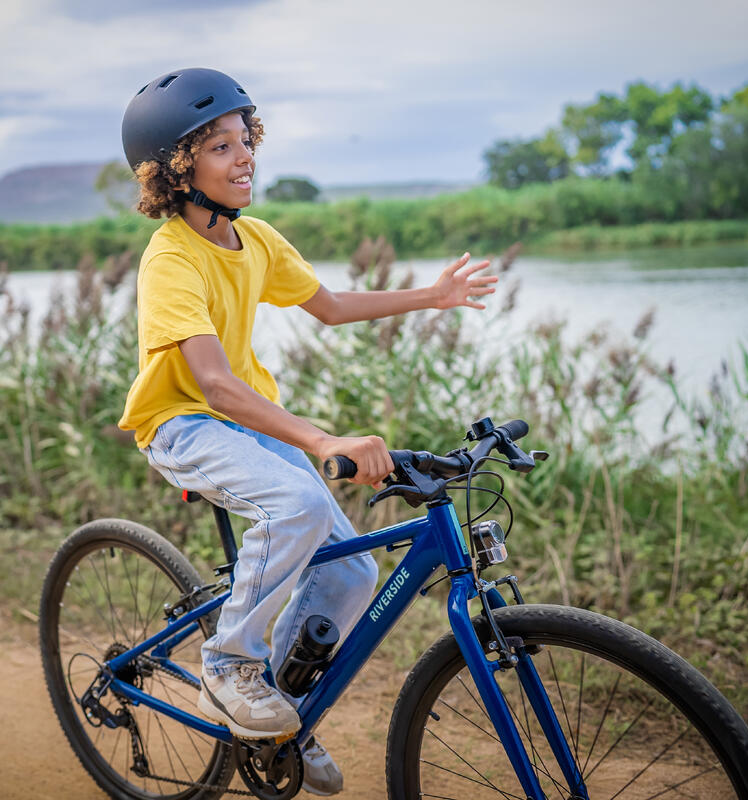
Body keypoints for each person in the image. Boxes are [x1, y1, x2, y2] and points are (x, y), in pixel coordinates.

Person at [118, 67, 497, 795]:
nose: (245, 157)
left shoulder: (252, 238)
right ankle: (227, 666)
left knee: (351, 568)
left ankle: (283, 711)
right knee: (292, 506)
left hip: (244, 422)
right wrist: (323, 441)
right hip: (184, 423)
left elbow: (326, 304)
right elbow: (214, 384)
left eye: (245, 140)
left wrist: (435, 295)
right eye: (221, 147)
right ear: (176, 169)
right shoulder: (170, 257)